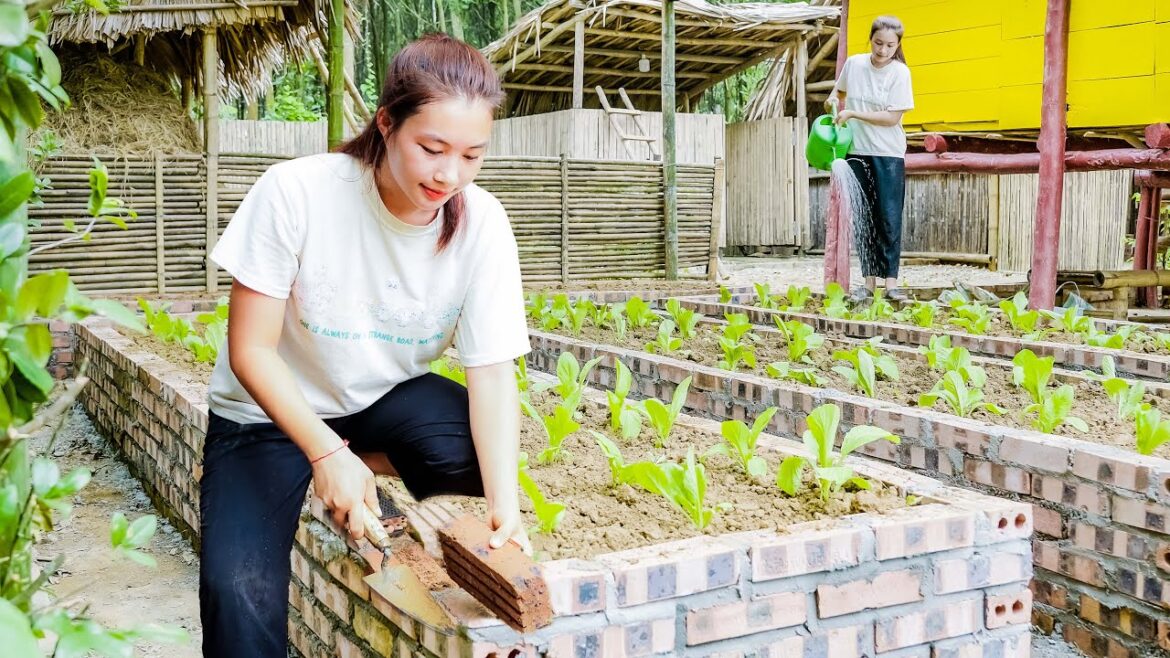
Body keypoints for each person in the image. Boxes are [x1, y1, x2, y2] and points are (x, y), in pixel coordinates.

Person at [197, 34, 532, 658]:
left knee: (481, 454)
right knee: (235, 592)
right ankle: (318, 463)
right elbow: (250, 351)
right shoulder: (296, 192)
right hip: (266, 411)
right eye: (431, 149)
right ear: (386, 124)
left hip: (379, 402)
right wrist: (324, 456)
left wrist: (505, 513)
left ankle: (353, 462)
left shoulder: (483, 224)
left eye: (471, 156)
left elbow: (492, 373)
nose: (449, 175)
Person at [827, 15, 915, 302]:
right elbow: (838, 91)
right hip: (856, 151)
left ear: (898, 45)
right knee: (865, 219)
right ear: (871, 40)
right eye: (878, 43)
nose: (883, 50)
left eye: (890, 45)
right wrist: (832, 101)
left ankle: (891, 284)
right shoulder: (854, 64)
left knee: (889, 218)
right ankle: (868, 284)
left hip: (888, 154)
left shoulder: (900, 73)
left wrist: (853, 113)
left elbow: (892, 118)